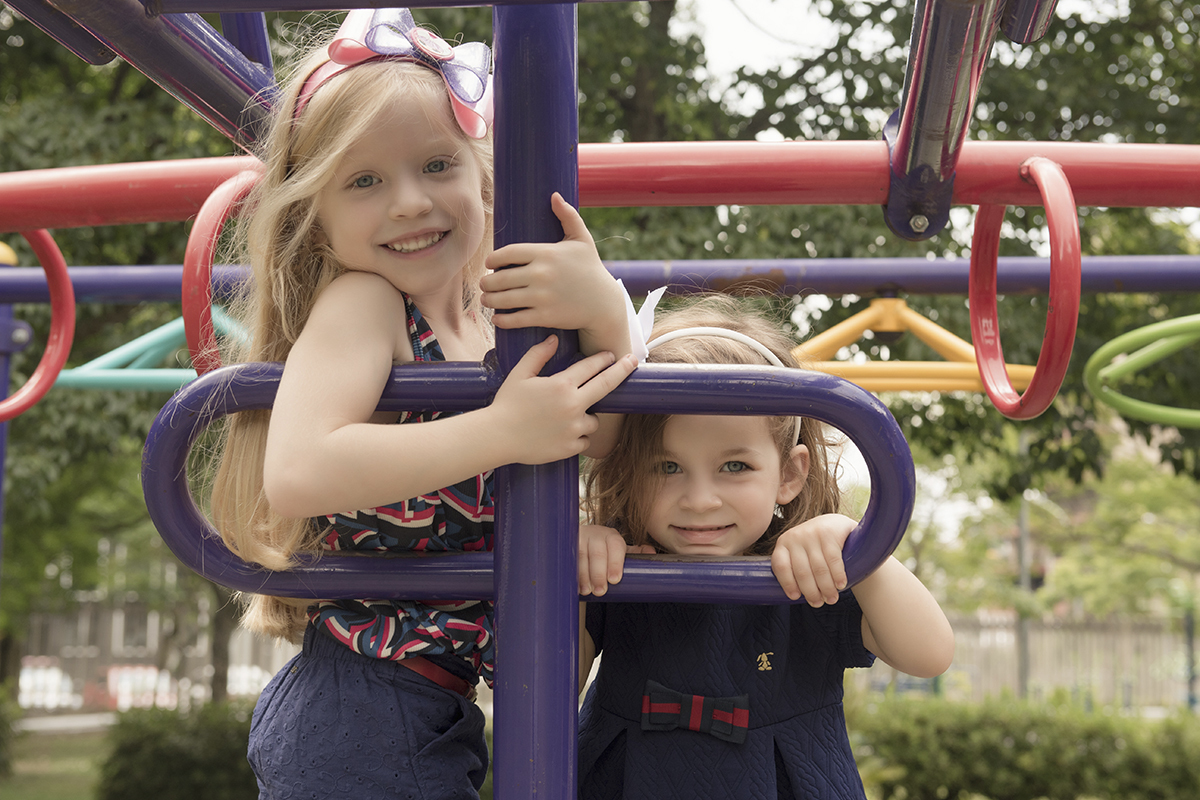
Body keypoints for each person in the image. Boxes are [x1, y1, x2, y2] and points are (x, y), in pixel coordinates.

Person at [208, 9, 636, 799]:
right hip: (358, 713)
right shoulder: (363, 304)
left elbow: (600, 435)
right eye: (365, 181)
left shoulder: (495, 314)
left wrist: (604, 311)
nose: (409, 202)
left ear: (481, 175)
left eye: (437, 165)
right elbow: (300, 471)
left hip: (430, 705)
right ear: (318, 217)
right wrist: (502, 430)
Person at [576, 293, 955, 800]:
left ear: (790, 474)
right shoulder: (622, 567)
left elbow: (929, 654)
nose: (700, 500)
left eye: (734, 466)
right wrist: (572, 575)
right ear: (628, 467)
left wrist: (858, 554)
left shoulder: (808, 572)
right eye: (667, 467)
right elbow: (536, 696)